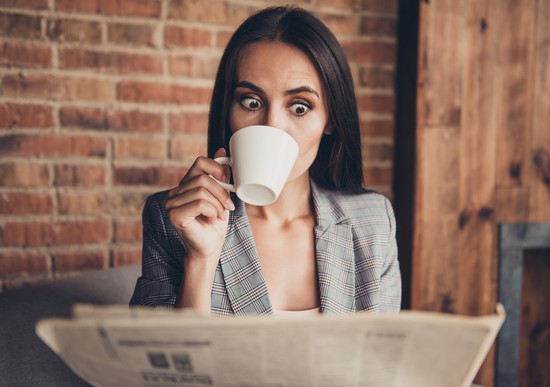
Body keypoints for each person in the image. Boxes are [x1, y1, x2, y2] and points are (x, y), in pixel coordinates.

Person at [129, 5, 401, 316]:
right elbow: (161, 363)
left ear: (331, 120)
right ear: (228, 111)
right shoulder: (174, 221)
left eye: (300, 107)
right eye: (251, 101)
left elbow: (383, 361)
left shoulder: (373, 222)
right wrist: (200, 261)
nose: (271, 126)